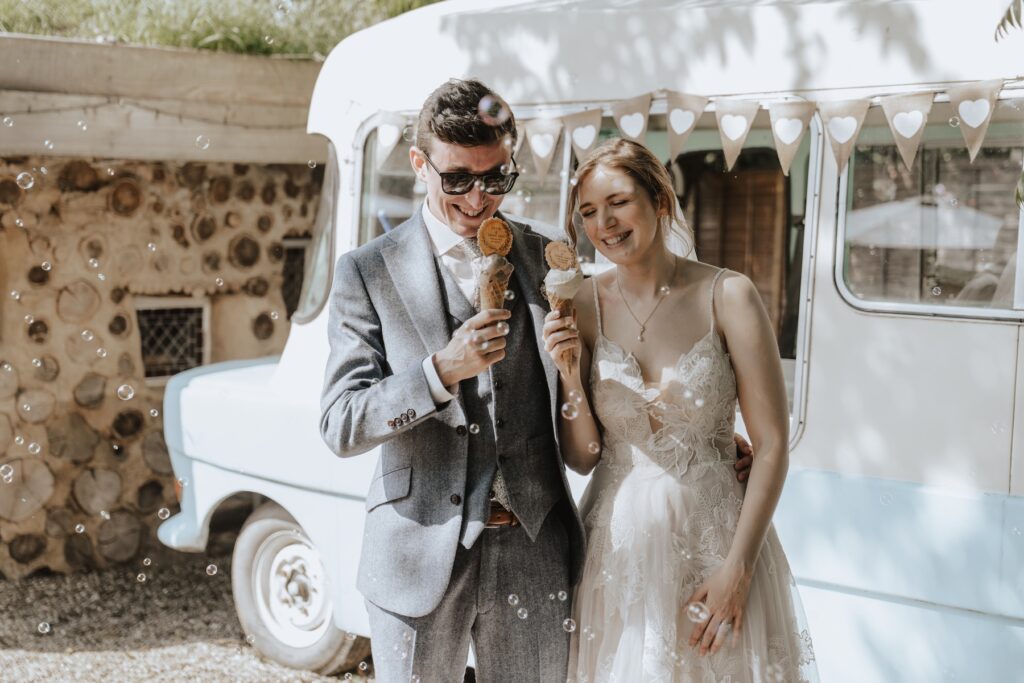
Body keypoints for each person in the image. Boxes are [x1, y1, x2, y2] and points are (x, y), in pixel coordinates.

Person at [543, 138, 817, 682]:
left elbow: (772, 445)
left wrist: (736, 571)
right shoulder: (582, 306)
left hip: (717, 544)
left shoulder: (728, 295)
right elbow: (582, 457)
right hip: (617, 553)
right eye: (589, 212)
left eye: (618, 202)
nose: (605, 223)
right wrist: (570, 371)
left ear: (660, 200)